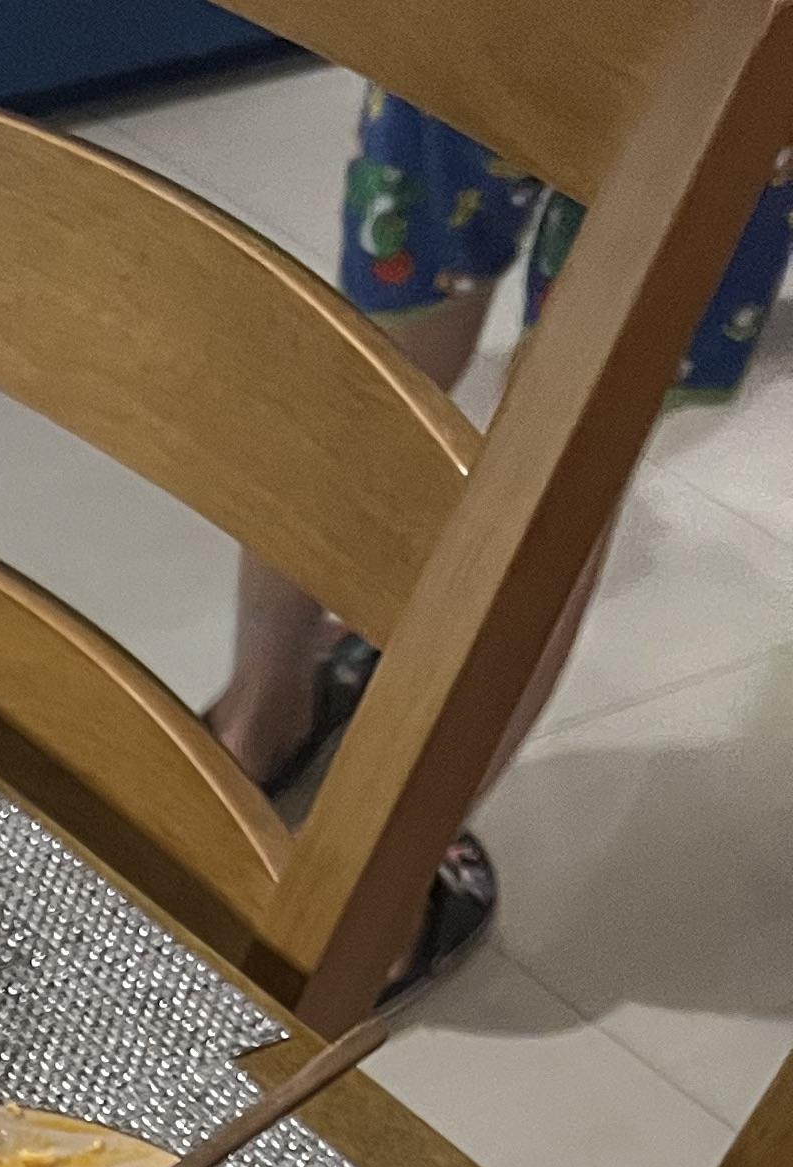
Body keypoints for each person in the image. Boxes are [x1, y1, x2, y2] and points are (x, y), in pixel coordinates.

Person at [204, 86, 793, 996]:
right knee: (568, 455)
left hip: (498, 34)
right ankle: (375, 905)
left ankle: (253, 726)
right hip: (733, 74)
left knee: (377, 364)